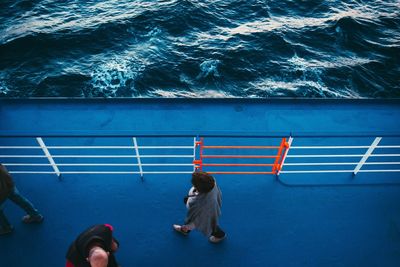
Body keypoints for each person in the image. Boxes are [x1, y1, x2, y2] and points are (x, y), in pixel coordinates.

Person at [173, 171, 226, 243]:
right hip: (209, 206)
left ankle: (220, 236)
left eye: (194, 184)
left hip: (205, 213)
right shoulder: (212, 181)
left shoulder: (199, 204)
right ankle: (186, 230)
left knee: (210, 225)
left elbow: (197, 221)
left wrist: (187, 227)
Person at [0, 164, 44, 235]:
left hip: (2, 189)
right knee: (20, 199)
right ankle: (35, 215)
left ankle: (6, 228)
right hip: (8, 183)